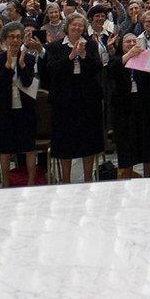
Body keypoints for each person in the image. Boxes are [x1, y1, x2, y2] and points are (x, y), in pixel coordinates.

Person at [45, 12, 103, 183]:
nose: (77, 28)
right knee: (65, 141)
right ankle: (65, 180)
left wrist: (84, 55)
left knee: (88, 139)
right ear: (67, 27)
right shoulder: (54, 47)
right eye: (74, 25)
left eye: (80, 25)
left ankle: (88, 179)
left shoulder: (90, 45)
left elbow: (97, 68)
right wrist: (70, 57)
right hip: (64, 99)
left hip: (86, 98)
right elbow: (51, 70)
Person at [110, 33, 150, 178]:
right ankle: (127, 174)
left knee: (147, 140)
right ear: (122, 45)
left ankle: (148, 176)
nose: (131, 43)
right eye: (128, 41)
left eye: (134, 41)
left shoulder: (145, 56)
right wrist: (128, 55)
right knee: (127, 142)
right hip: (124, 105)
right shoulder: (117, 59)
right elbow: (112, 72)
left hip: (145, 103)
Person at [0, 23, 37, 186]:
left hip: (25, 110)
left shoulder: (28, 58)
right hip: (5, 111)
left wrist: (21, 65)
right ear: (4, 40)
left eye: (18, 37)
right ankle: (6, 183)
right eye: (11, 37)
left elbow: (29, 83)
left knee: (29, 147)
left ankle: (31, 182)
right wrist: (8, 67)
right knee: (5, 149)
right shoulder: (0, 59)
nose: (15, 40)